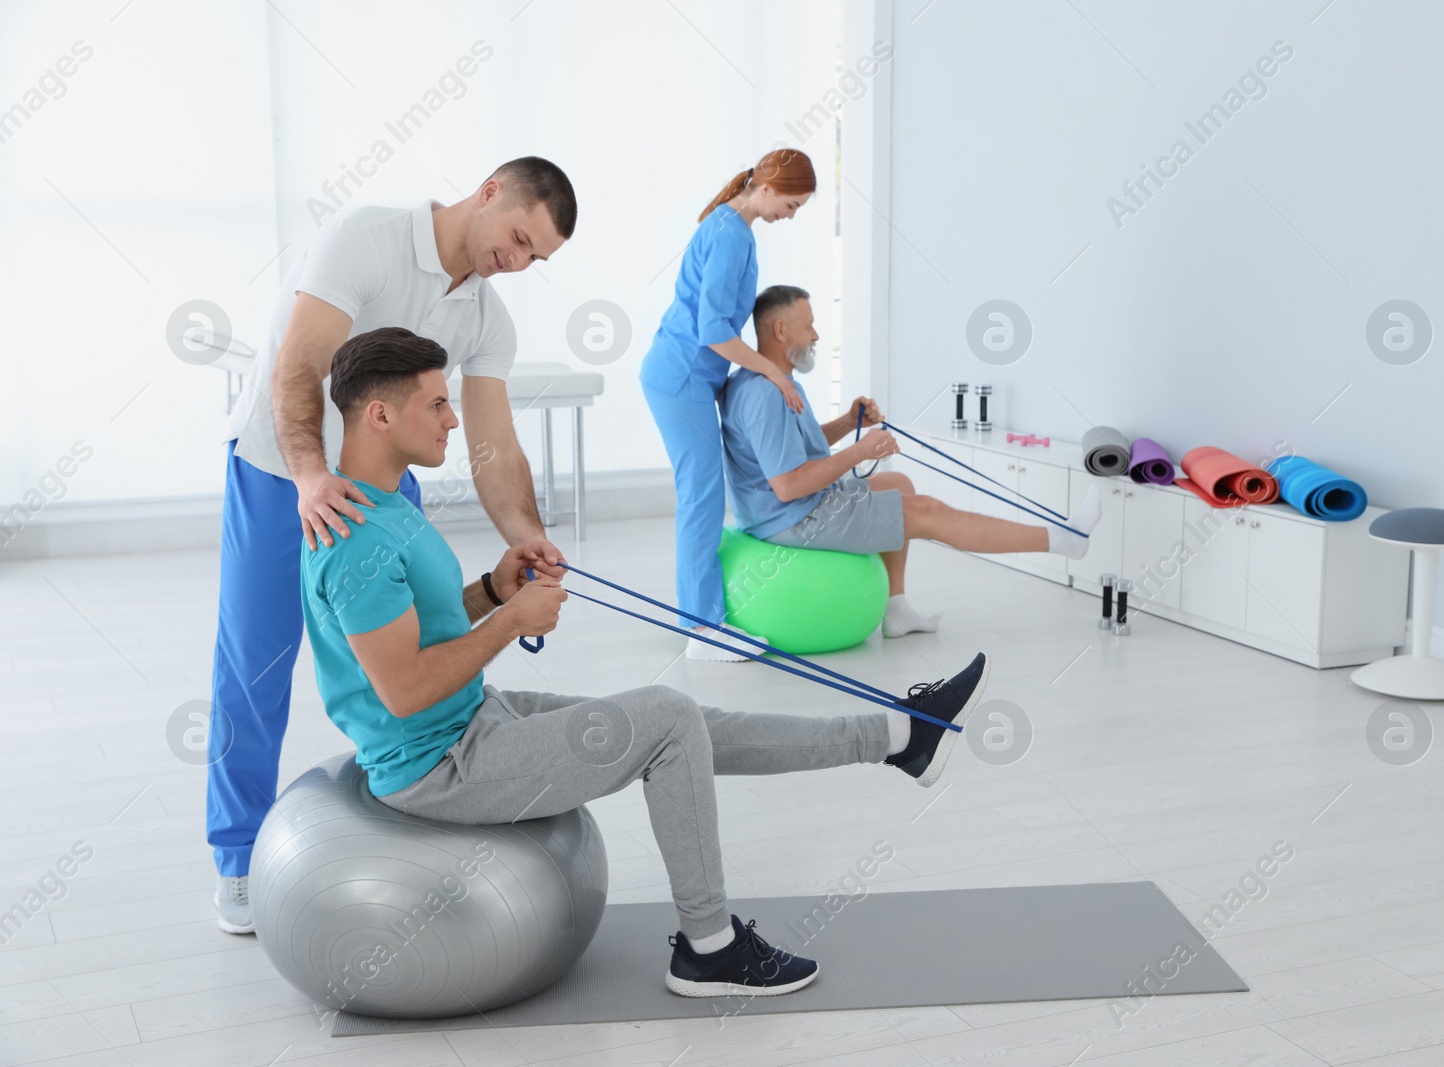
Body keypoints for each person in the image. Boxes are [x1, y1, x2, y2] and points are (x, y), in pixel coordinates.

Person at [301, 327, 991, 997]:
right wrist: (512, 621)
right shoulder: (358, 537)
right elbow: (403, 689)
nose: (455, 419)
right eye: (437, 403)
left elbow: (415, 633)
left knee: (687, 718)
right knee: (666, 715)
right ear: (381, 414)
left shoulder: (385, 506)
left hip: (475, 722)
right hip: (441, 767)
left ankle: (903, 736)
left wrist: (491, 590)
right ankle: (709, 947)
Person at [208, 157, 576, 935]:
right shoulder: (365, 238)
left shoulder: (485, 317)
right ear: (488, 193)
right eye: (516, 237)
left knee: (423, 642)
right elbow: (300, 365)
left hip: (380, 492)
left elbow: (495, 443)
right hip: (281, 469)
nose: (515, 262)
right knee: (255, 665)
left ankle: (414, 788)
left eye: (532, 258)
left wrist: (529, 541)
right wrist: (311, 474)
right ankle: (238, 860)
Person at [720, 285, 1104, 636]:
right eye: (810, 327)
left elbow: (791, 449)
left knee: (898, 484)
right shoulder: (767, 394)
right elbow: (788, 485)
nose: (817, 336)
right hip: (796, 518)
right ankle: (1063, 540)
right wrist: (860, 451)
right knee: (927, 512)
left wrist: (846, 422)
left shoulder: (768, 382)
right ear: (782, 330)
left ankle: (897, 609)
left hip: (786, 510)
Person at [639, 149, 816, 663]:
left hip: (689, 376)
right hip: (681, 377)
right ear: (768, 188)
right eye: (793, 203)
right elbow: (713, 330)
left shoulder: (732, 225)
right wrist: (771, 370)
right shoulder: (732, 232)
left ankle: (699, 620)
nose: (792, 214)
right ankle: (704, 630)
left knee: (702, 494)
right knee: (701, 496)